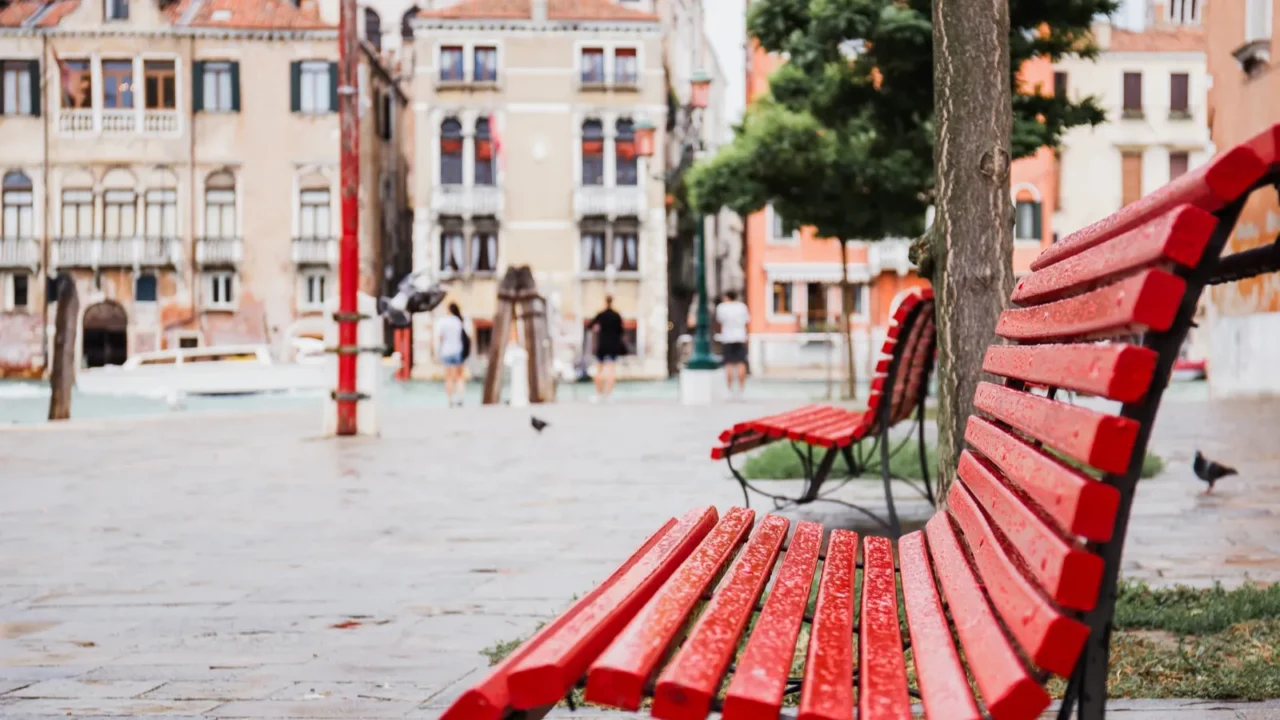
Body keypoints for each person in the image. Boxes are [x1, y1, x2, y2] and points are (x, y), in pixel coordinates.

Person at [588, 295, 625, 403]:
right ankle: (608, 394)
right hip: (613, 345)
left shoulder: (601, 315)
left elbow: (590, 326)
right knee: (611, 371)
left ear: (605, 302)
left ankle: (599, 394)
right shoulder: (616, 315)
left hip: (602, 345)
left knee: (599, 370)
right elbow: (621, 331)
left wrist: (598, 328)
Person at [715, 290, 751, 398]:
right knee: (741, 363)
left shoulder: (722, 307)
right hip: (740, 337)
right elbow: (747, 322)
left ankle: (729, 389)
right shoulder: (742, 307)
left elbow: (720, 322)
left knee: (729, 364)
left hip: (727, 338)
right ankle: (741, 389)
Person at [436, 303, 468, 407]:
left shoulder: (443, 322)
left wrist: (437, 351)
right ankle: (460, 398)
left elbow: (440, 338)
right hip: (458, 351)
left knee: (448, 378)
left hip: (446, 351)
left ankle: (450, 400)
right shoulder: (459, 321)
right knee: (459, 377)